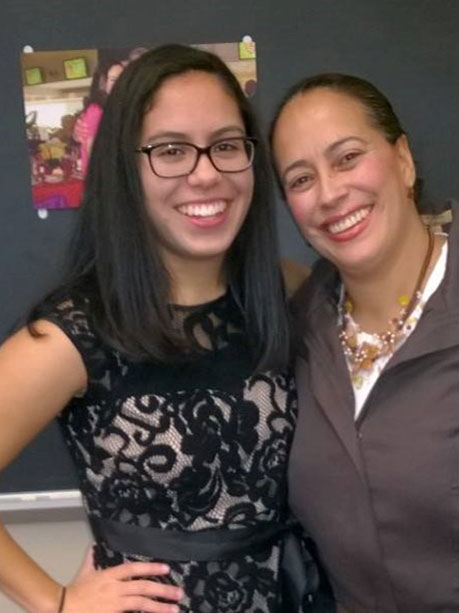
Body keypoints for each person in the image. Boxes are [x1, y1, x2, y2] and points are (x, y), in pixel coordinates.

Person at [0, 43, 304, 613]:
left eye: (226, 146)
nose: (205, 173)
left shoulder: (286, 291)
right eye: (170, 150)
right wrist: (55, 603)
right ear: (125, 169)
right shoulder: (75, 336)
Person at [270, 72, 458, 612]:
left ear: (402, 160)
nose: (330, 193)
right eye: (301, 179)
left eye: (348, 157)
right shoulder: (298, 333)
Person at [73, 59, 124, 175]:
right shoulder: (96, 110)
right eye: (114, 80)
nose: (120, 84)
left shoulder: (116, 109)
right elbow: (95, 154)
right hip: (103, 178)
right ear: (103, 83)